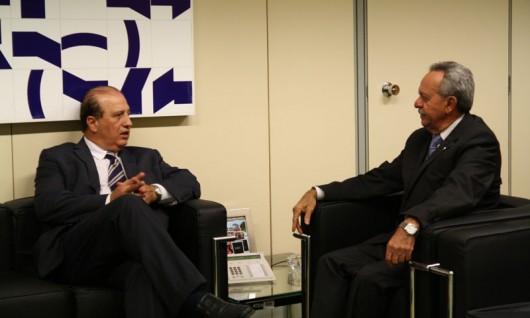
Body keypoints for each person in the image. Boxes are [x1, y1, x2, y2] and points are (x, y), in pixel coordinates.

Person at [292, 61, 501, 318]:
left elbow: (457, 193)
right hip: (406, 236)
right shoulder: (420, 139)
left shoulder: (479, 141)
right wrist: (319, 191)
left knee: (370, 278)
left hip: (444, 245)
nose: (416, 103)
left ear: (450, 103)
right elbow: (381, 179)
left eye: (425, 98)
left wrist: (411, 223)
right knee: (332, 263)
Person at [33, 86, 255, 318]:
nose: (128, 123)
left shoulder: (146, 157)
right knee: (127, 203)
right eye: (118, 115)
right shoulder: (58, 157)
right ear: (93, 122)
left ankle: (200, 301)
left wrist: (156, 191)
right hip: (80, 255)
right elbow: (49, 204)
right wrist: (111, 199)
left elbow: (189, 181)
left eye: (128, 114)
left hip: (129, 256)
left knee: (145, 274)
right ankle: (200, 301)